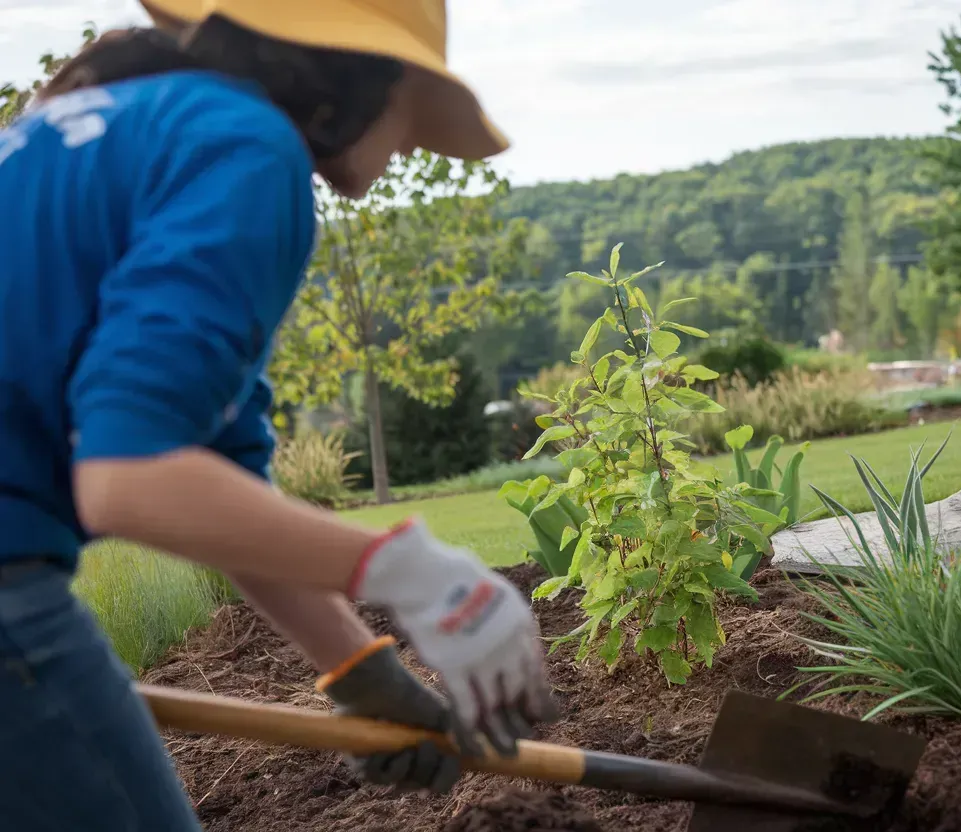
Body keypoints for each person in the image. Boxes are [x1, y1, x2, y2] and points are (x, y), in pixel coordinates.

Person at [0, 2, 558, 829]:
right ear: (361, 74)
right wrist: (418, 573)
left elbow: (214, 479)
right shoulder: (248, 148)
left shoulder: (116, 125)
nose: (409, 145)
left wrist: (362, 671)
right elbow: (128, 479)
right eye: (413, 110)